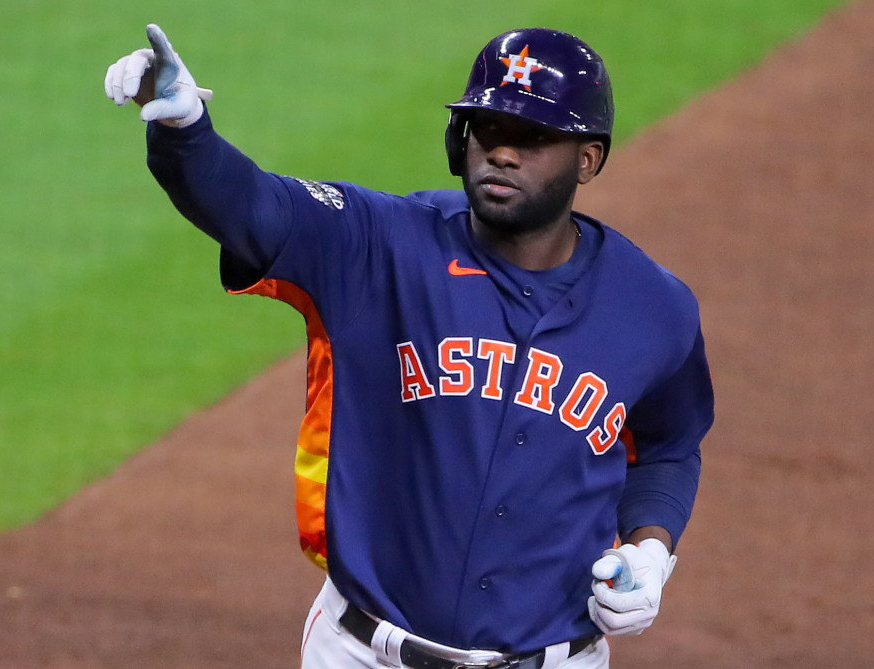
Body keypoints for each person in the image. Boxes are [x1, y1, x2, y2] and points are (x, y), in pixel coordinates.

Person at [105, 23, 714, 669]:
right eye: (488, 129)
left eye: (534, 138)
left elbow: (669, 446)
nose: (502, 153)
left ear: (587, 159)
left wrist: (650, 550)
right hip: (363, 653)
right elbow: (249, 204)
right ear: (460, 141)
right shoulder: (379, 244)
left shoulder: (653, 307)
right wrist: (185, 133)